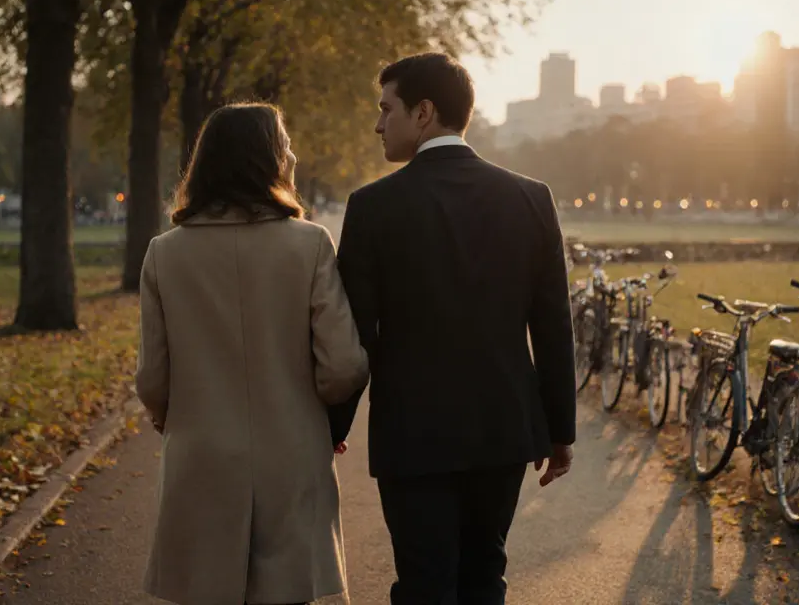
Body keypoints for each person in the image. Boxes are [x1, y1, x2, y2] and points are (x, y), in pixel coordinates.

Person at [328, 52, 577, 604]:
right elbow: (553, 324)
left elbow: (356, 337)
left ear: (423, 113)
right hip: (503, 429)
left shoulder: (372, 207)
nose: (377, 124)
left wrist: (332, 428)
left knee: (423, 583)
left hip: (413, 434)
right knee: (485, 576)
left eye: (385, 108)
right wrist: (560, 430)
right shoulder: (531, 198)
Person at [135, 103, 369, 605]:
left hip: (201, 456)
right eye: (284, 145)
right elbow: (344, 365)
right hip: (292, 453)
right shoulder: (309, 245)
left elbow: (153, 377)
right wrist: (321, 413)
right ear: (267, 160)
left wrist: (167, 415)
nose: (293, 154)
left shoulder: (164, 253)